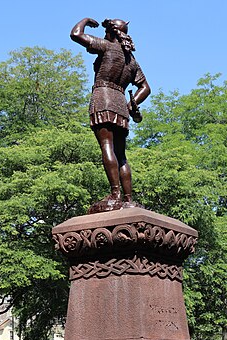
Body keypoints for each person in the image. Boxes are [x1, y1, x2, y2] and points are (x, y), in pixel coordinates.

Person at [70, 17, 151, 213]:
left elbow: (75, 34)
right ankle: (129, 199)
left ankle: (115, 195)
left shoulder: (107, 47)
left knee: (107, 146)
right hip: (121, 104)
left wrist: (86, 20)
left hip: (103, 97)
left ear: (111, 32)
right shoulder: (132, 61)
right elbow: (145, 88)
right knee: (121, 154)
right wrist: (132, 104)